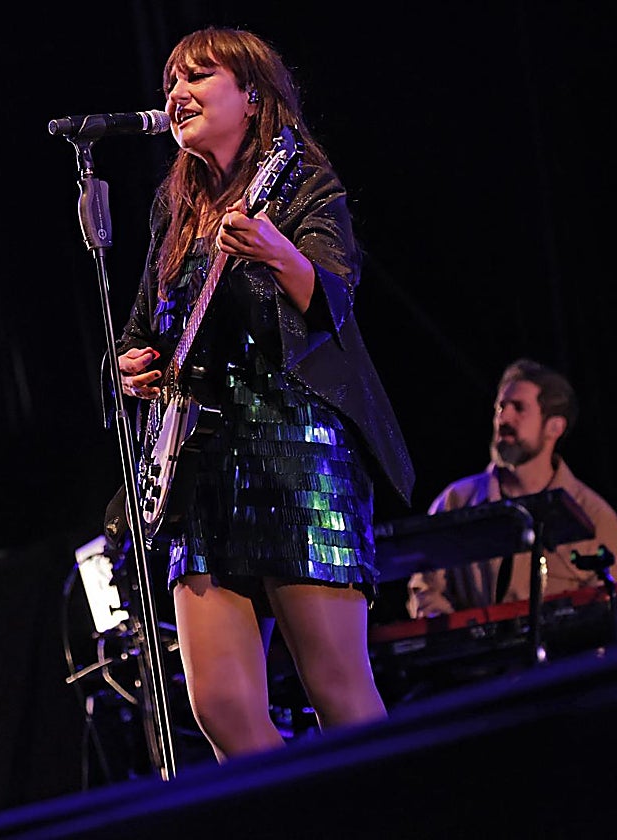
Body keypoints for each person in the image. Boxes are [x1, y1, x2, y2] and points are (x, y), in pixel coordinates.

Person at [115, 27, 415, 762]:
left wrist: (276, 251)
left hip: (296, 456)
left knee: (339, 691)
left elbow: (332, 301)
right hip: (198, 472)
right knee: (219, 707)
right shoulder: (174, 209)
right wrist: (130, 366)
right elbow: (140, 327)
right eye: (170, 83)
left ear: (252, 96)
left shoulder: (303, 182)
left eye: (197, 77)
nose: (176, 94)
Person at [408, 358, 617, 618]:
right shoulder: (456, 500)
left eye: (519, 408)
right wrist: (465, 633)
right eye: (500, 407)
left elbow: (606, 608)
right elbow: (425, 589)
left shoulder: (595, 517)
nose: (503, 418)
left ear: (554, 426)